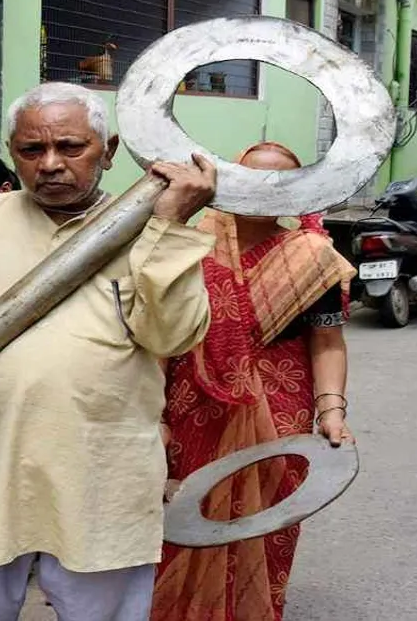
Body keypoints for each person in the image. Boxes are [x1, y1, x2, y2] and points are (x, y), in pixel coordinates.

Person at [0, 81, 218, 621]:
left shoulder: (151, 225)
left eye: (70, 148)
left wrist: (170, 228)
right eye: (32, 151)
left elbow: (174, 337)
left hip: (100, 465)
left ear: (110, 149)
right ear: (13, 154)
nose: (50, 164)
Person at [151, 142, 356, 621]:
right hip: (191, 408)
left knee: (264, 524)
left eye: (279, 182)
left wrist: (332, 413)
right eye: (250, 179)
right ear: (228, 181)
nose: (264, 191)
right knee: (179, 518)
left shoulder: (312, 256)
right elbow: (159, 336)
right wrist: (154, 415)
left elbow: (326, 341)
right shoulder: (188, 243)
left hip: (280, 415)